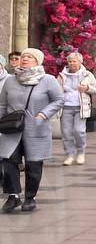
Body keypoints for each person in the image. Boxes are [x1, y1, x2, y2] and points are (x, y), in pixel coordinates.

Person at [0, 48, 63, 212]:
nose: (25, 59)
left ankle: (30, 197)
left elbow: (59, 100)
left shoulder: (48, 80)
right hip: (12, 129)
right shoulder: (10, 80)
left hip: (36, 128)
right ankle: (13, 196)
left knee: (33, 164)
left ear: (38, 61)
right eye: (23, 56)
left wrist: (43, 114)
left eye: (30, 57)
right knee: (8, 160)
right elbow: (3, 105)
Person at [57, 51, 96, 165]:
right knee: (66, 133)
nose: (72, 64)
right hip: (65, 107)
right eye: (70, 61)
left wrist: (86, 88)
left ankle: (81, 152)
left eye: (74, 61)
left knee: (79, 131)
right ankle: (70, 155)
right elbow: (56, 90)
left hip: (81, 107)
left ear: (80, 62)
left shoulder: (87, 74)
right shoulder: (62, 75)